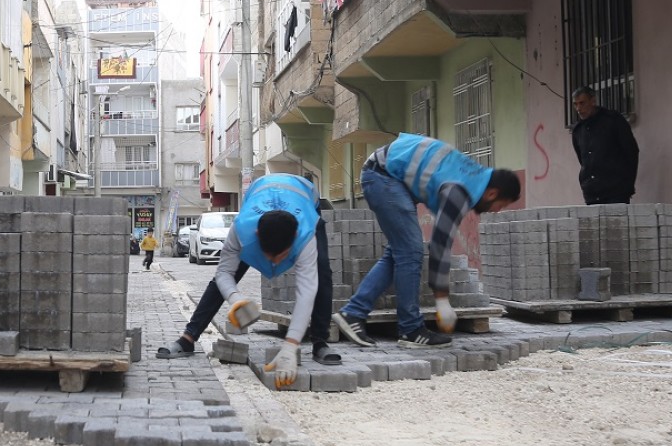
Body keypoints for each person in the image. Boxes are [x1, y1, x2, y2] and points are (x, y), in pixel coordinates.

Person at [333, 134, 521, 350]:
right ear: (492, 193)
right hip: (383, 176)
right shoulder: (459, 192)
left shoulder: (472, 179)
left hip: (385, 174)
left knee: (400, 252)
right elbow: (441, 244)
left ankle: (353, 313)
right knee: (410, 251)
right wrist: (442, 299)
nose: (497, 211)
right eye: (501, 205)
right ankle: (410, 329)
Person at [156, 174, 342, 390]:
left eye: (281, 256)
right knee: (225, 278)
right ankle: (188, 338)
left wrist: (291, 345)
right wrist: (235, 299)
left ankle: (320, 342)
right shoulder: (241, 229)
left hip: (305, 201)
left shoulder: (306, 234)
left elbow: (307, 289)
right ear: (257, 234)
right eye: (268, 255)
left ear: (294, 241)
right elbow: (224, 273)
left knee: (322, 273)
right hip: (259, 197)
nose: (274, 263)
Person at [570, 85, 638, 205]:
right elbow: (583, 160)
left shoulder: (612, 120)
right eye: (575, 104)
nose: (579, 108)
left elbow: (631, 151)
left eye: (582, 103)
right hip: (592, 193)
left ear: (593, 101)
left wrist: (628, 184)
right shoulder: (578, 130)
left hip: (616, 191)